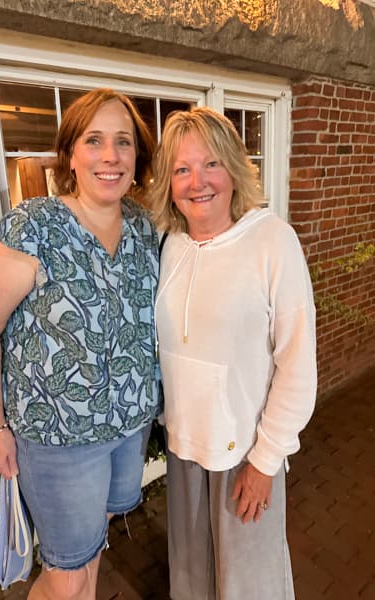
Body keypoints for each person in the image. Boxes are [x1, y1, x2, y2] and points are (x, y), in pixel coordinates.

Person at [0, 88, 160, 600]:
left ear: (137, 157)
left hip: (128, 427)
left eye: (123, 142)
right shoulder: (34, 228)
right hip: (59, 439)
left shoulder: (142, 227)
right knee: (66, 574)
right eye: (94, 140)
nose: (110, 156)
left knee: (91, 546)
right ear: (70, 153)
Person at [151, 107, 317, 600]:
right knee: (192, 580)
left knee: (250, 587)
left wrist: (266, 461)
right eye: (182, 169)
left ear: (234, 170)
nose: (197, 182)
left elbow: (297, 365)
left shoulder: (271, 241)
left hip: (243, 451)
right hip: (184, 448)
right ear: (169, 182)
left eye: (211, 165)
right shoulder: (170, 245)